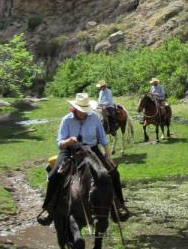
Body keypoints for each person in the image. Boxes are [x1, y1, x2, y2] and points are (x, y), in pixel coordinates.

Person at [37, 92, 130, 226]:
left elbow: (103, 139)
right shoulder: (66, 120)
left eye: (86, 111)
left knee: (113, 174)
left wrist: (108, 156)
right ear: (75, 109)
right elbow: (59, 143)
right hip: (71, 150)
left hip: (93, 150)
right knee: (54, 175)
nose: (84, 114)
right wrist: (68, 141)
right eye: (81, 111)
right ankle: (49, 208)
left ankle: (119, 206)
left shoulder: (94, 118)